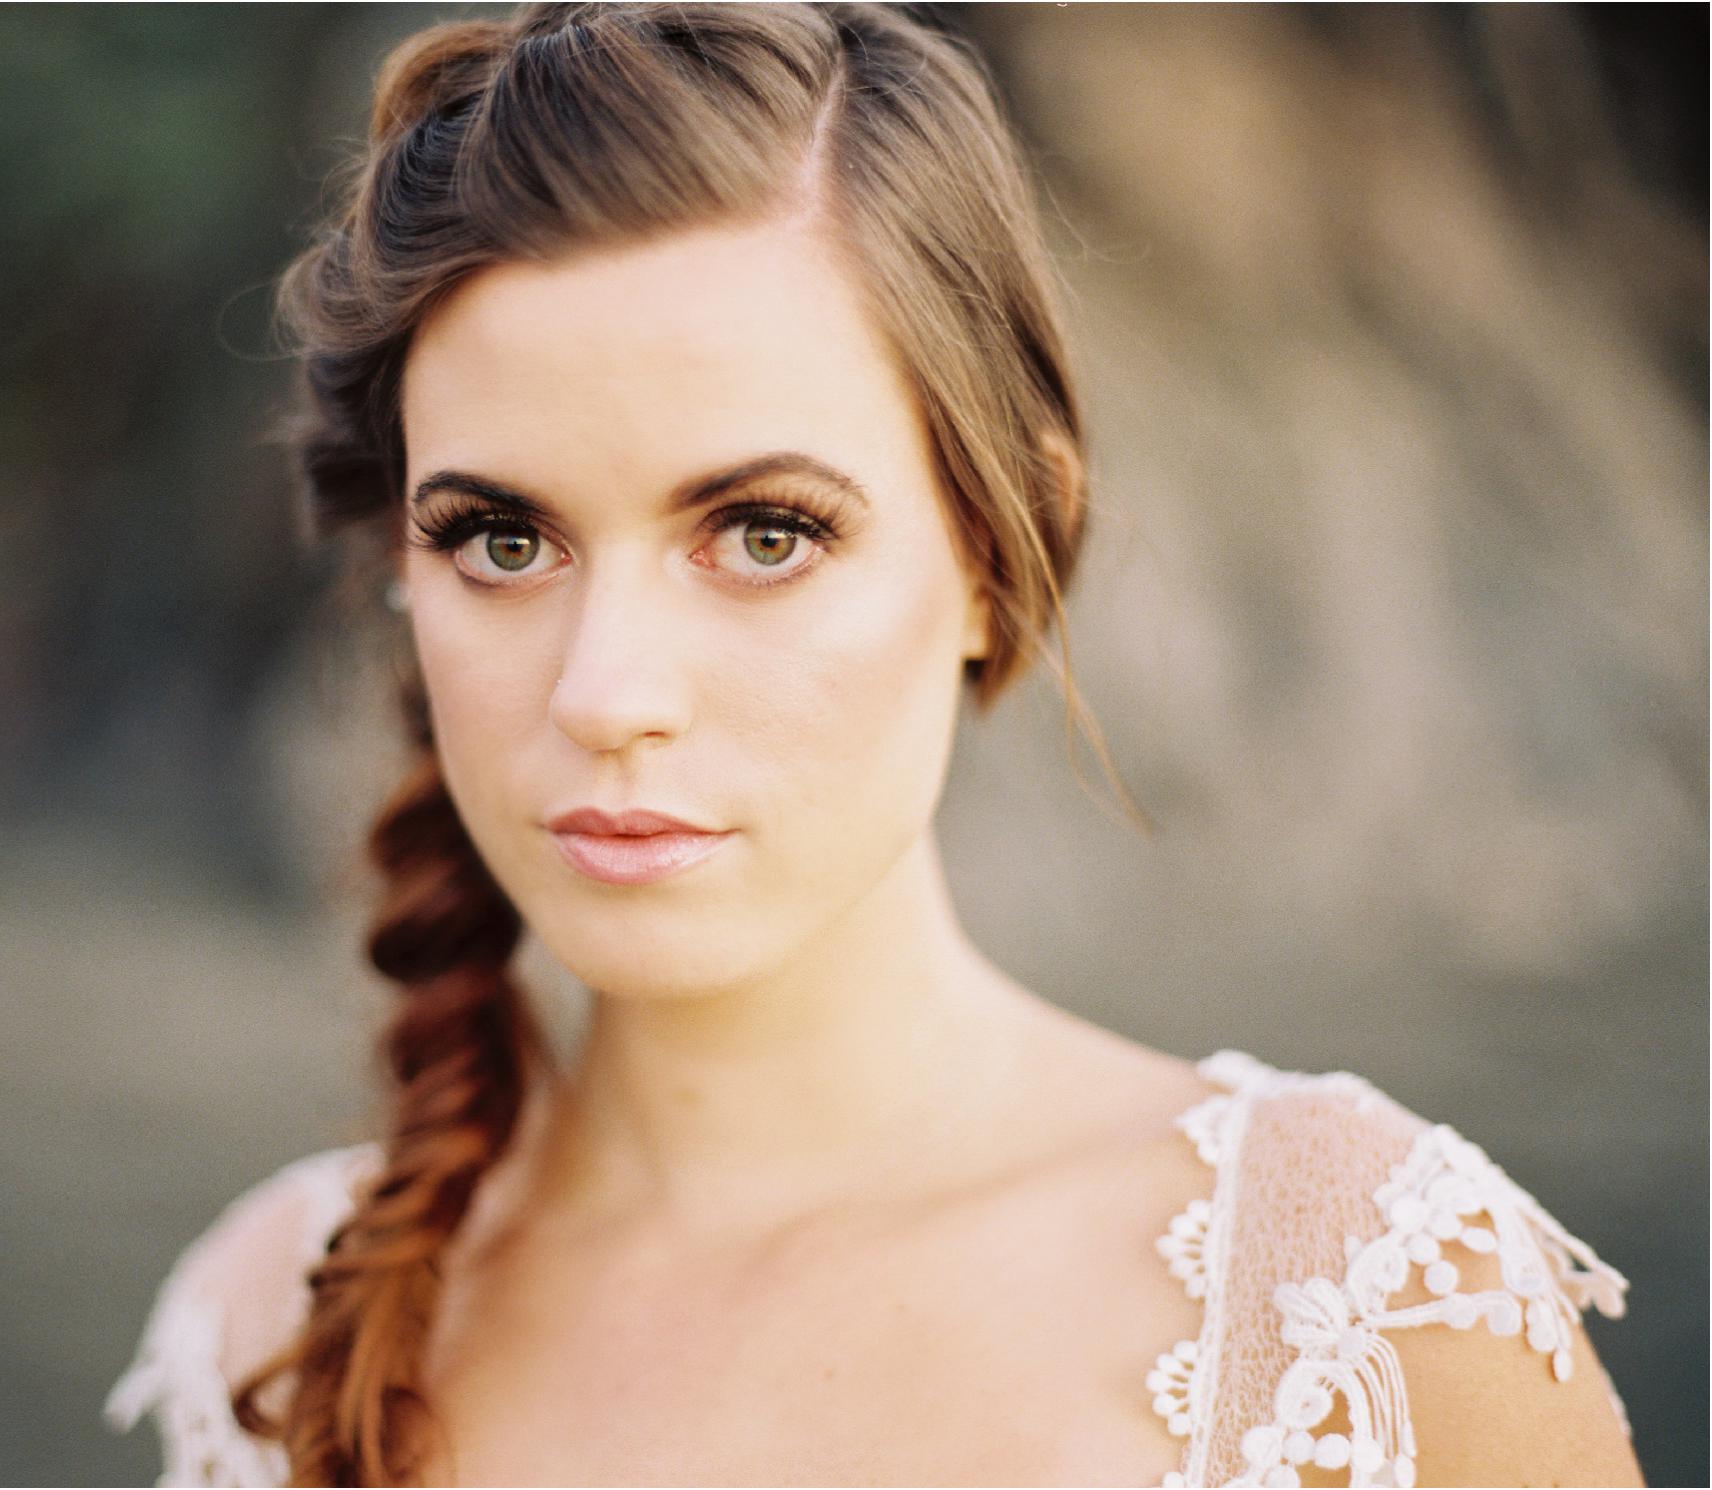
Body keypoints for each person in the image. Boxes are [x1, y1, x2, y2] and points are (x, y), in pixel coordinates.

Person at [103, 5, 1641, 1485]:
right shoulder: (273, 1326)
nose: (607, 690)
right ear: (399, 575)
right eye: (503, 539)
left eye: (763, 531)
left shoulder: (1364, 1301)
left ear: (994, 549)